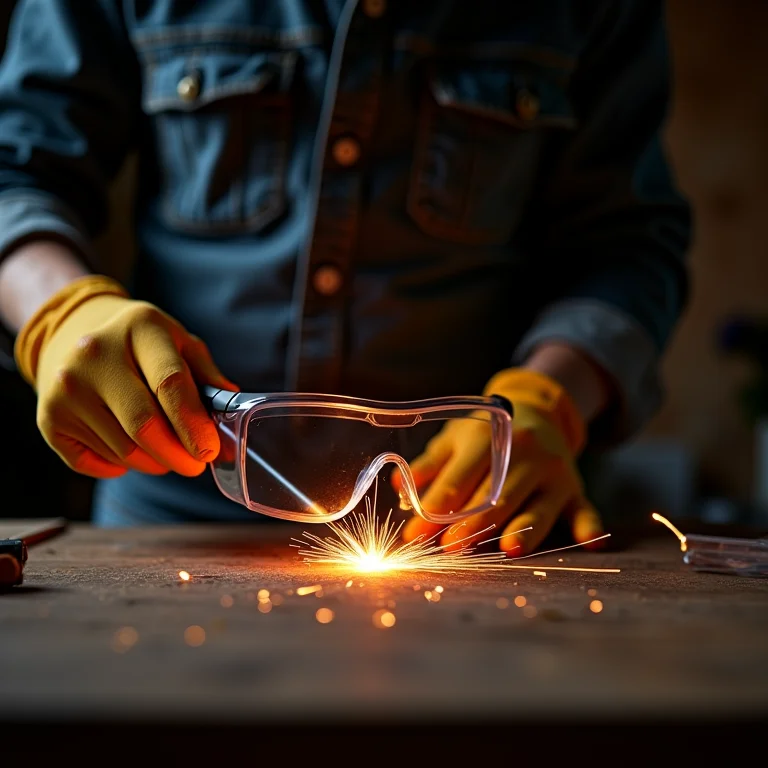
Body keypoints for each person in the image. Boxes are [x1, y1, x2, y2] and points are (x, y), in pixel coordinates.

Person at [0, 1, 689, 555]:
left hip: (465, 527)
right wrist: (59, 310)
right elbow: (18, 170)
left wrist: (551, 397)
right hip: (171, 517)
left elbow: (628, 245)